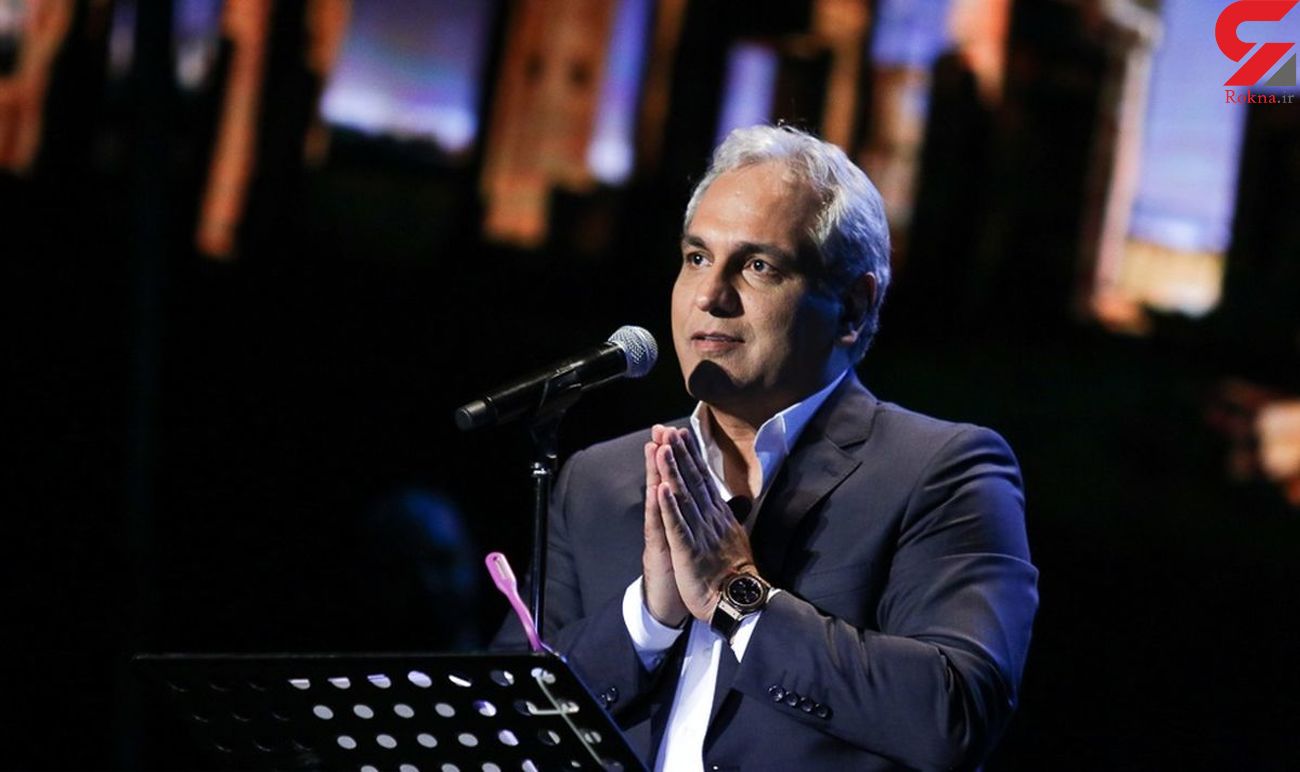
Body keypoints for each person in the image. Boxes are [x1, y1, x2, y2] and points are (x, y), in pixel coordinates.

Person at [495, 124, 1038, 771]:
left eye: (758, 266)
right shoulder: (599, 480)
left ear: (853, 307)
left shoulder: (941, 471)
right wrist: (646, 619)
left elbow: (955, 713)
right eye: (697, 257)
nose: (710, 296)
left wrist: (736, 594)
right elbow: (506, 723)